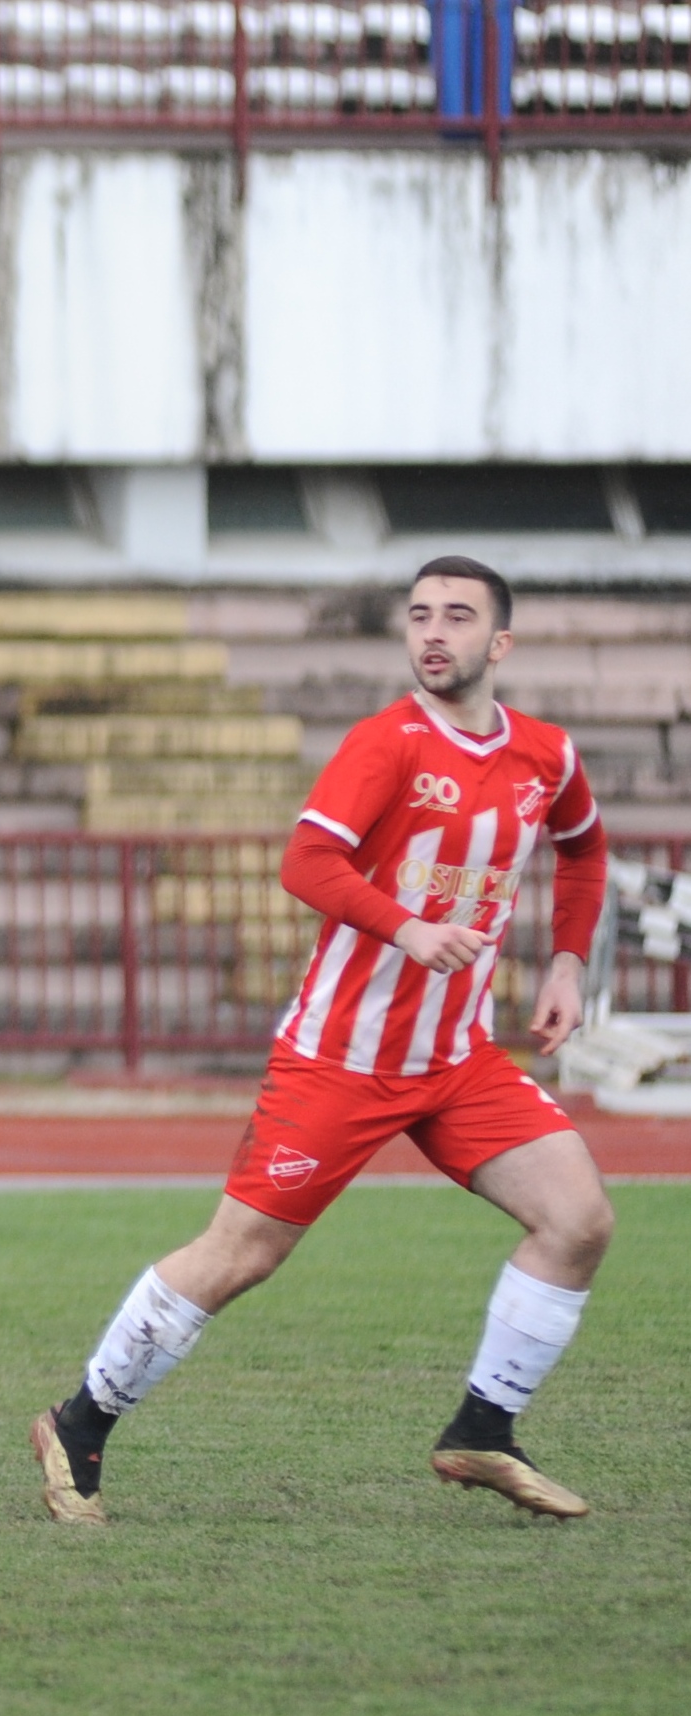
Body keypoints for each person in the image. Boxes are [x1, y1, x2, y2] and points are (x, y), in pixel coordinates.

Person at [31, 556, 612, 1525]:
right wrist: (406, 927)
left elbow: (583, 847)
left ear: (499, 642)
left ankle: (482, 1429)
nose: (433, 632)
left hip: (457, 1059)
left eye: (456, 616)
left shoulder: (544, 754)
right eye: (419, 615)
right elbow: (305, 861)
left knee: (579, 1220)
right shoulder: (385, 743)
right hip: (340, 1059)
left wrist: (565, 962)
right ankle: (77, 1423)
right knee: (240, 1256)